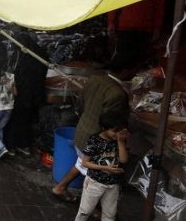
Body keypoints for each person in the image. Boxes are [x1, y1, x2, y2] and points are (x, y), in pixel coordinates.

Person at [52, 64, 130, 202]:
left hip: (82, 129)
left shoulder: (94, 79)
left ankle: (60, 187)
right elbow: (110, 122)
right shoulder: (118, 94)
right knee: (96, 176)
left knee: (81, 163)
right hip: (96, 138)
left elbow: (81, 104)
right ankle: (91, 207)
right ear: (126, 70)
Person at [71, 111, 130, 221]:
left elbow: (123, 160)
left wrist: (121, 141)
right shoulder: (94, 140)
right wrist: (105, 168)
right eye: (115, 131)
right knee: (86, 208)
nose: (117, 134)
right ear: (104, 128)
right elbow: (85, 162)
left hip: (113, 183)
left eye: (121, 131)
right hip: (94, 181)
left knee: (110, 211)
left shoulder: (119, 140)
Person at [4, 31, 48, 155]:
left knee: (16, 119)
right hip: (32, 94)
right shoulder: (39, 53)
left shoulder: (23, 56)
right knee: (25, 120)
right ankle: (22, 145)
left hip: (21, 94)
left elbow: (14, 74)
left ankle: (13, 145)